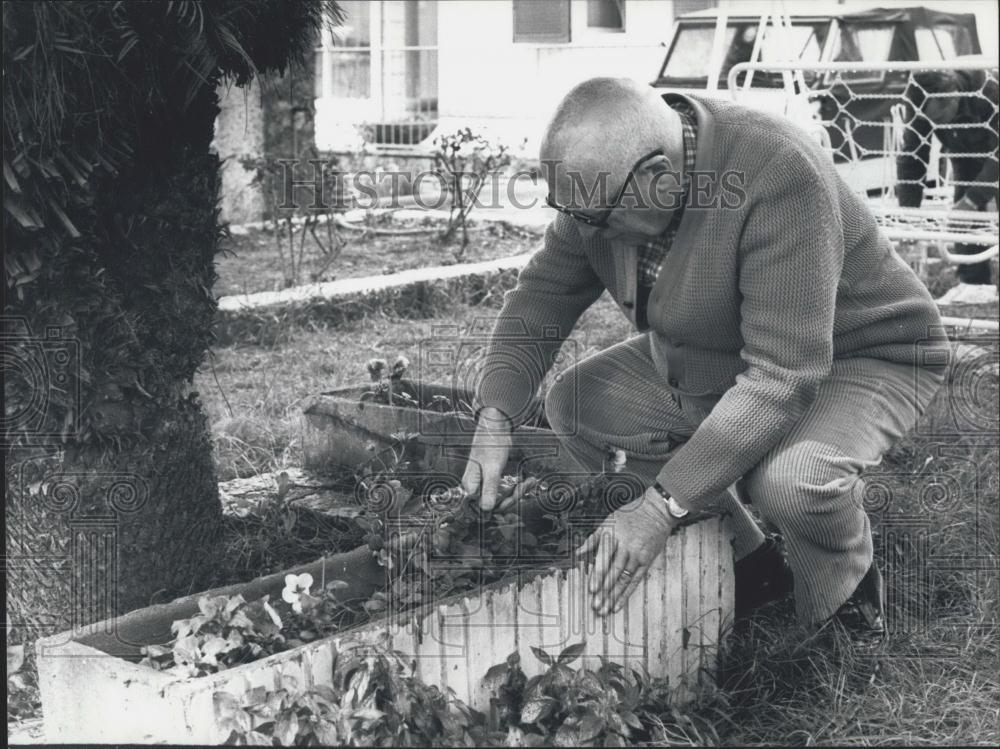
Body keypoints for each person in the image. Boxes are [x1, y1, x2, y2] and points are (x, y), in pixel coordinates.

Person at [460, 77, 949, 640]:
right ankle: (750, 566)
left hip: (861, 354)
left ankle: (845, 604)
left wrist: (655, 508)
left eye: (594, 217)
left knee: (790, 480)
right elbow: (544, 294)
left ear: (658, 179)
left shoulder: (776, 175)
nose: (585, 229)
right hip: (736, 350)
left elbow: (782, 378)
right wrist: (495, 413)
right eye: (570, 213)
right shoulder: (603, 186)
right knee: (578, 403)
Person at [896, 68, 999, 301]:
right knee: (963, 211)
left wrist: (973, 200)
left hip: (993, 138)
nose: (935, 125)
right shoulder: (921, 101)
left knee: (972, 203)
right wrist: (907, 216)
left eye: (939, 119)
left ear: (954, 96)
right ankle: (975, 283)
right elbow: (912, 158)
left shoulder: (990, 91)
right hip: (965, 147)